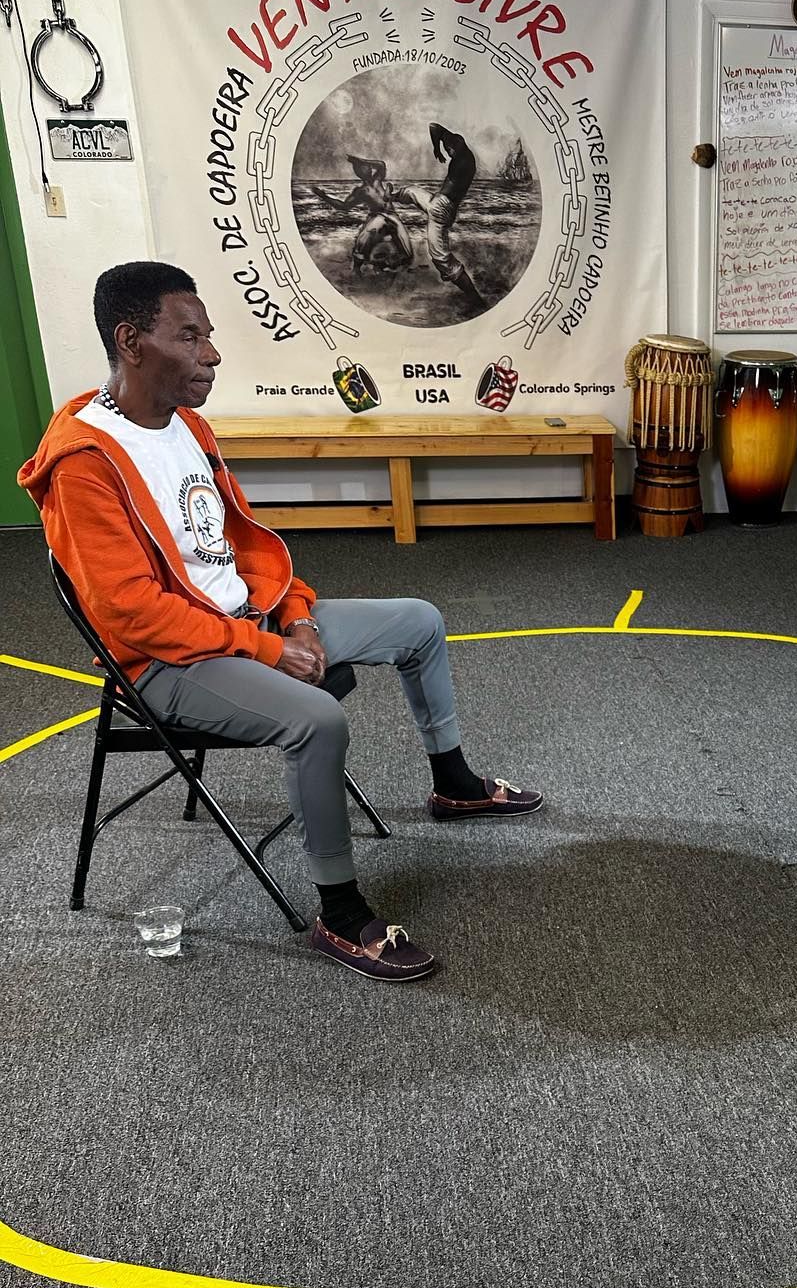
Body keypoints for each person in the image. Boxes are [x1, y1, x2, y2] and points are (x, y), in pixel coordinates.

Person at [20, 261, 542, 982]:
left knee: (419, 621)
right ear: (131, 342)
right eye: (190, 336)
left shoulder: (185, 425)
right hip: (167, 663)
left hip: (247, 621)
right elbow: (131, 614)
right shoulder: (84, 462)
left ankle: (453, 784)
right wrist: (263, 648)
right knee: (316, 720)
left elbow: (239, 547)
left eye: (208, 335)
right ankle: (341, 915)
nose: (212, 353)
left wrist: (293, 617)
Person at [401, 122, 484, 305]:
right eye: (446, 150)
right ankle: (388, 196)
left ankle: (475, 299)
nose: (448, 153)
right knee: (410, 192)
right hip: (437, 203)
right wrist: (437, 147)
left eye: (449, 150)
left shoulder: (464, 159)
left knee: (441, 259)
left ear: (457, 146)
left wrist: (445, 146)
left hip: (442, 210)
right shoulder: (456, 146)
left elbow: (445, 137)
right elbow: (434, 127)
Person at [314, 154, 414, 273]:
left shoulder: (378, 179)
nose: (369, 168)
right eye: (364, 167)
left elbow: (381, 164)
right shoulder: (361, 191)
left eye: (368, 166)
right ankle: (357, 267)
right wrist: (324, 197)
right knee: (365, 238)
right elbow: (343, 206)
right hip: (377, 216)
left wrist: (362, 160)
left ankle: (386, 265)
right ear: (359, 172)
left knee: (408, 254)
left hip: (392, 215)